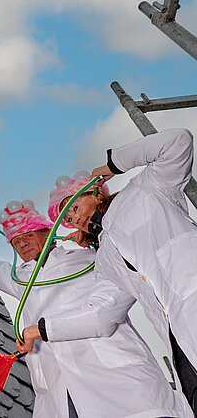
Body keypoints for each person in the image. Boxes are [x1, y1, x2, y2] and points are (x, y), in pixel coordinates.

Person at [0, 199, 191, 417]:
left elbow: (105, 307)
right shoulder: (21, 277)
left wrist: (95, 235)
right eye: (16, 241)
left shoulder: (90, 260)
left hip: (116, 379)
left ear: (47, 233)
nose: (22, 243)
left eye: (27, 235)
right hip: (62, 392)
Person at [47, 129, 197, 412]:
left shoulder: (148, 187)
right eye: (68, 218)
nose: (75, 217)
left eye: (76, 206)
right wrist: (43, 328)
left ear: (94, 192)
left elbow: (179, 140)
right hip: (180, 346)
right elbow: (102, 313)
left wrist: (114, 164)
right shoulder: (106, 258)